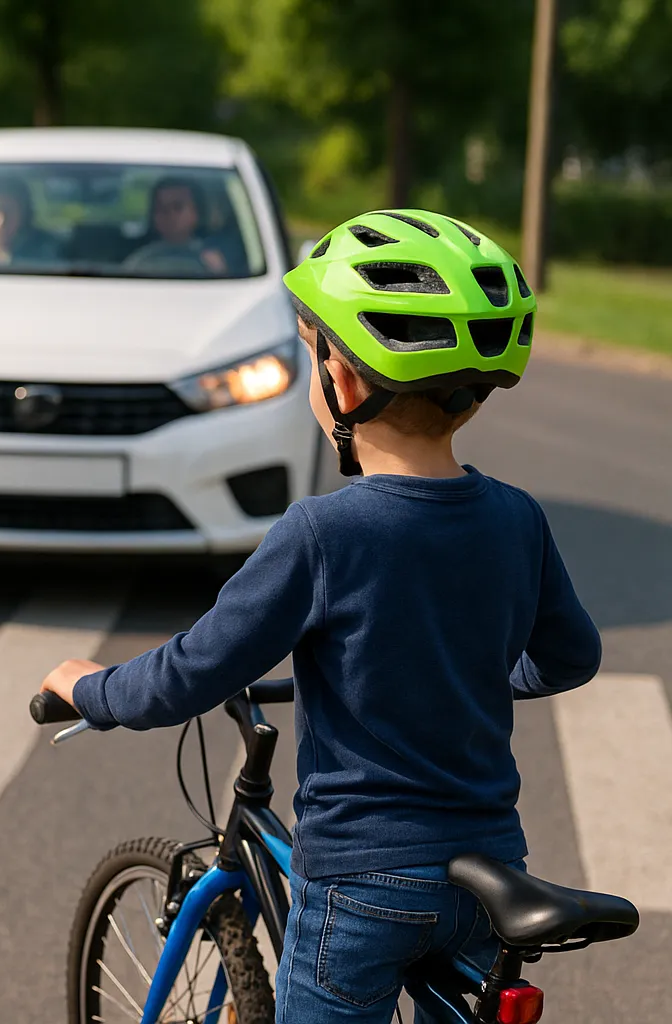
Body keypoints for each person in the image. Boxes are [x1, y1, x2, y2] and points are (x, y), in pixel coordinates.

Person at [39, 211, 600, 1023]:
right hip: (486, 875)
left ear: (340, 381)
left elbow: (192, 672)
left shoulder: (322, 533)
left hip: (364, 888)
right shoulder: (518, 518)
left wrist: (92, 688)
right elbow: (568, 657)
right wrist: (458, 677)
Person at [124, 178, 230, 275]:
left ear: (197, 212)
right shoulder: (139, 262)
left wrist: (220, 271)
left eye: (178, 207)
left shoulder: (215, 260)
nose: (170, 215)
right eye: (162, 209)